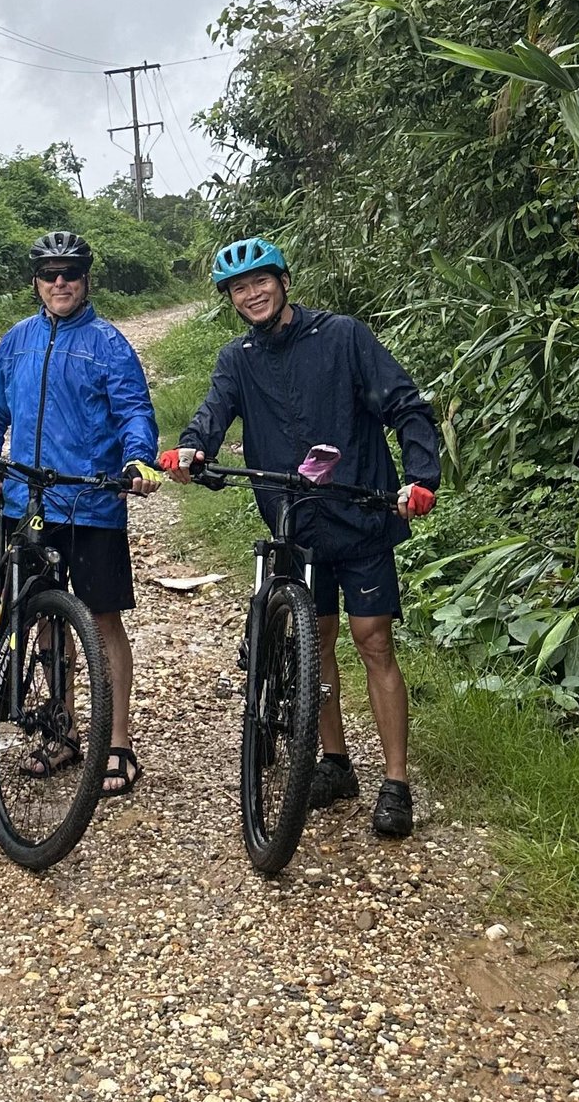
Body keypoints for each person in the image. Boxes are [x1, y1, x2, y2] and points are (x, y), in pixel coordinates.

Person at [163, 236, 440, 838]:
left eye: (261, 281)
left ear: (284, 282)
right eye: (239, 288)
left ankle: (396, 782)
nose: (252, 294)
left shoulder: (342, 337)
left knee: (373, 641)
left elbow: (405, 405)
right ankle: (335, 763)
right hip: (294, 523)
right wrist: (191, 449)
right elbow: (213, 413)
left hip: (359, 514)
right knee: (317, 642)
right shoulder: (238, 359)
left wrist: (421, 476)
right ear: (230, 300)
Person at [0, 231, 163, 795]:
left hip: (92, 502)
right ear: (35, 281)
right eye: (50, 274)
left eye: (70, 273)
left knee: (103, 621)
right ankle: (62, 730)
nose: (60, 283)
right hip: (26, 502)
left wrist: (137, 459)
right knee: (46, 620)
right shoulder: (16, 340)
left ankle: (118, 741)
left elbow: (135, 412)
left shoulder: (109, 343)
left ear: (86, 279)